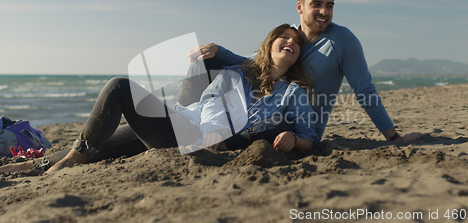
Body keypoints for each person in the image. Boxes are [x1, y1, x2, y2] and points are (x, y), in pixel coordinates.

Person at [0, 24, 319, 174]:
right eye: (284, 37)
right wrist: (213, 127)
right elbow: (210, 99)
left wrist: (292, 138)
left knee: (119, 88)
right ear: (270, 43)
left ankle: (67, 160)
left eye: (296, 41)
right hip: (190, 124)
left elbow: (310, 139)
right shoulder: (240, 72)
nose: (290, 41)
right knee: (99, 147)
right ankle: (36, 165)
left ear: (299, 55)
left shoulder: (293, 93)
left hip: (193, 138)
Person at [190, 0, 422, 142]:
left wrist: (392, 136)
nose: (324, 11)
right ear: (300, 7)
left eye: (329, 5)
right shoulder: (287, 36)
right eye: (317, 4)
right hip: (259, 112)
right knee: (206, 60)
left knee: (270, 120)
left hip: (295, 126)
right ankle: (186, 119)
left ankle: (209, 137)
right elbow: (253, 63)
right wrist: (217, 50)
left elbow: (364, 90)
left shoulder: (342, 41)